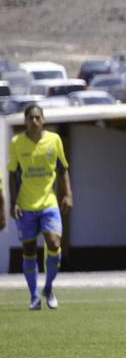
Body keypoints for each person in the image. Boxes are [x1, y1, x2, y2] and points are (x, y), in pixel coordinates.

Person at [8, 104, 71, 310]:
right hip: (26, 205)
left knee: (53, 244)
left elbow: (62, 169)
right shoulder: (16, 143)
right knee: (28, 250)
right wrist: (14, 201)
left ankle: (49, 287)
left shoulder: (54, 141)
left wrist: (68, 194)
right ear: (25, 121)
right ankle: (34, 296)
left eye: (37, 118)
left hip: (48, 203)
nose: (34, 121)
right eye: (30, 118)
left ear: (43, 120)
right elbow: (13, 174)